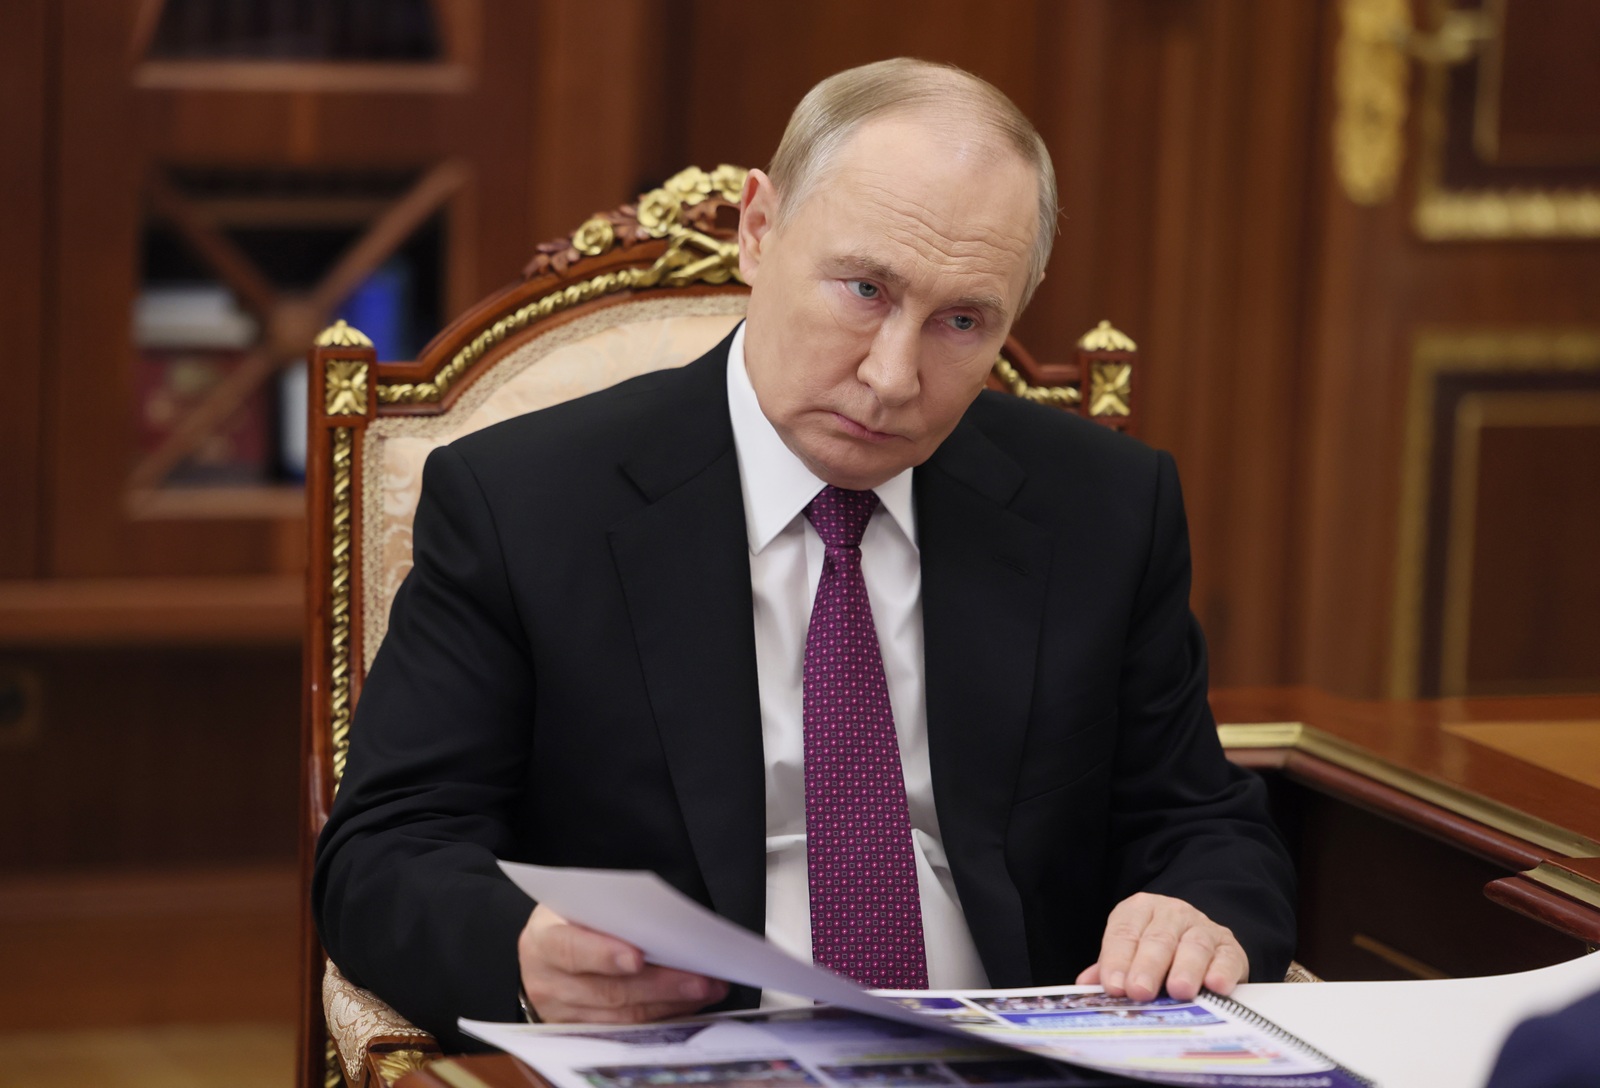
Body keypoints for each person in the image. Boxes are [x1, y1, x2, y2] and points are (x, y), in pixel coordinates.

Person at [313, 58, 1295, 1050]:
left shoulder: (1102, 507)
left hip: (1010, 1056)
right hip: (685, 1057)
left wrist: (1193, 912)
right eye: (865, 289)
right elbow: (383, 852)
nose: (892, 375)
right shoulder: (525, 503)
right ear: (757, 230)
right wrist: (522, 953)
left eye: (963, 321)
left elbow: (1205, 825)